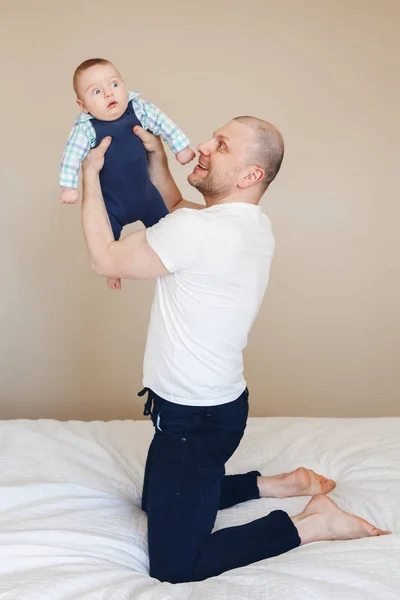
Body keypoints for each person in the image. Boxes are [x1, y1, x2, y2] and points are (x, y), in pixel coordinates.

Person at [80, 117, 390, 584]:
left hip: (194, 423)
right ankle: (280, 484)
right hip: (213, 412)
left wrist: (87, 178)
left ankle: (311, 523)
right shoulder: (250, 225)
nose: (203, 145)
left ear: (249, 176)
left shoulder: (196, 230)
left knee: (176, 567)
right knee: (153, 501)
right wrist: (160, 166)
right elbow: (181, 216)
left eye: (221, 146)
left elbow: (104, 256)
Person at [60, 57, 195, 290]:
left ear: (124, 85)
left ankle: (184, 267)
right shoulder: (86, 128)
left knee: (170, 229)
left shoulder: (140, 109)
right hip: (113, 204)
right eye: (97, 92)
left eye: (114, 85)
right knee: (104, 239)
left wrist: (180, 148)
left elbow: (165, 124)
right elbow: (71, 157)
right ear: (83, 105)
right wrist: (69, 187)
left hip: (147, 195)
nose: (109, 94)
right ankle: (113, 272)